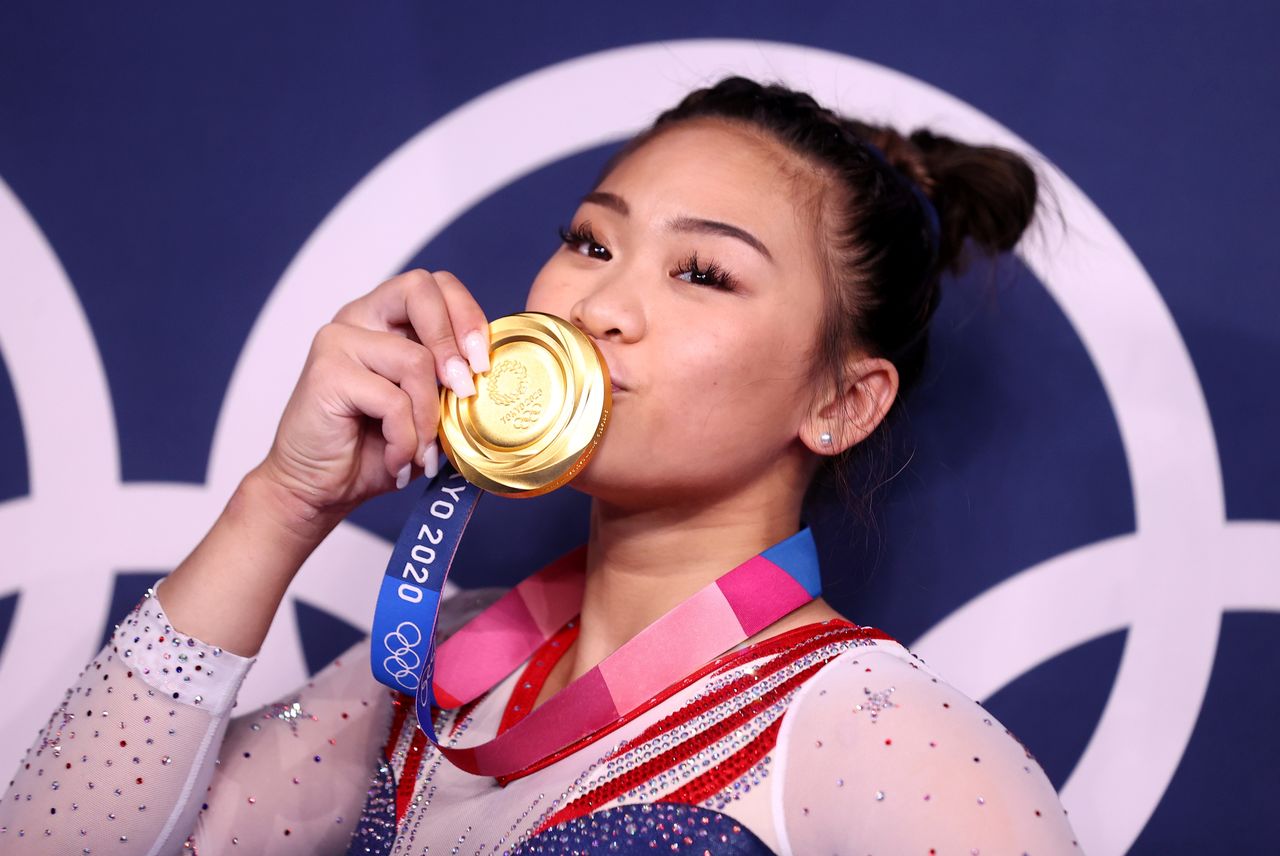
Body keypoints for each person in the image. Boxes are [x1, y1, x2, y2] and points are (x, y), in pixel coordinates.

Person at [0, 75, 1080, 854]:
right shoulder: (444, 669)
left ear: (839, 401)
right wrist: (281, 501)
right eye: (590, 241)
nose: (597, 306)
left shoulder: (872, 734)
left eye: (701, 273)